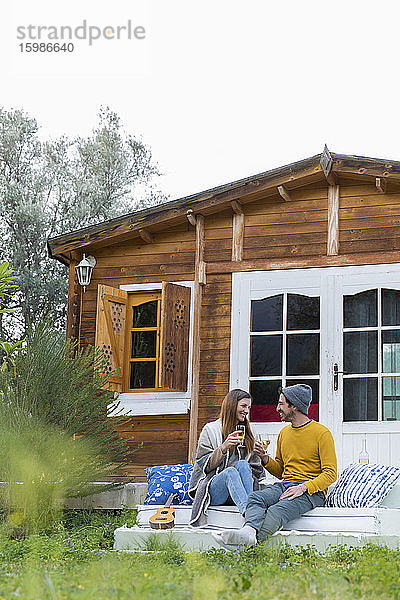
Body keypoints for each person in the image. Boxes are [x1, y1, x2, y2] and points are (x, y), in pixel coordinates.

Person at [212, 383, 337, 549]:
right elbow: (281, 471)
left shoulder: (322, 433)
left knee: (276, 511)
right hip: (286, 485)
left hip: (311, 493)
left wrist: (303, 488)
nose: (277, 408)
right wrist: (264, 457)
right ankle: (248, 533)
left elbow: (330, 474)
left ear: (294, 406)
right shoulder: (284, 433)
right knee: (255, 498)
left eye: (281, 404)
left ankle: (250, 549)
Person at [188, 389, 264, 527]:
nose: (246, 410)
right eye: (243, 406)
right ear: (231, 405)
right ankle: (250, 515)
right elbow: (202, 465)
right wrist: (223, 447)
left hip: (239, 492)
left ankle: (250, 511)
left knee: (242, 464)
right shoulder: (210, 430)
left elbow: (255, 470)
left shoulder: (249, 432)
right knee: (230, 472)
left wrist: (261, 455)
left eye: (249, 407)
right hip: (215, 492)